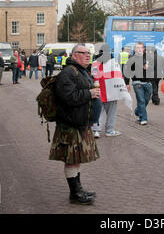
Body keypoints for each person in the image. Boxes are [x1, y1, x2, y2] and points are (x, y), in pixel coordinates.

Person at [49, 44, 100, 205]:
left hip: (80, 123)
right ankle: (75, 193)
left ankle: (78, 189)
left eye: (89, 53)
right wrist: (89, 93)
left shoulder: (82, 71)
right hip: (70, 125)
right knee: (71, 159)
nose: (88, 56)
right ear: (74, 55)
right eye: (83, 53)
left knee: (76, 159)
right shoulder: (68, 73)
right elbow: (68, 97)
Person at [91, 44, 125, 138]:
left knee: (98, 111)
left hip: (98, 90)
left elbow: (92, 77)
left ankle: (96, 131)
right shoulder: (113, 62)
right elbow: (118, 77)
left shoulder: (94, 63)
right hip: (111, 91)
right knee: (111, 112)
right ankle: (109, 131)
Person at [124, 42, 153, 126]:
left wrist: (149, 67)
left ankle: (138, 110)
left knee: (146, 100)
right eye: (137, 48)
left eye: (141, 47)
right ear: (135, 49)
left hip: (148, 82)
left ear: (143, 49)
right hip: (137, 82)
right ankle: (143, 118)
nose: (139, 49)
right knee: (141, 100)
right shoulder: (131, 59)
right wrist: (127, 83)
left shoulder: (148, 58)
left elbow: (154, 68)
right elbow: (127, 71)